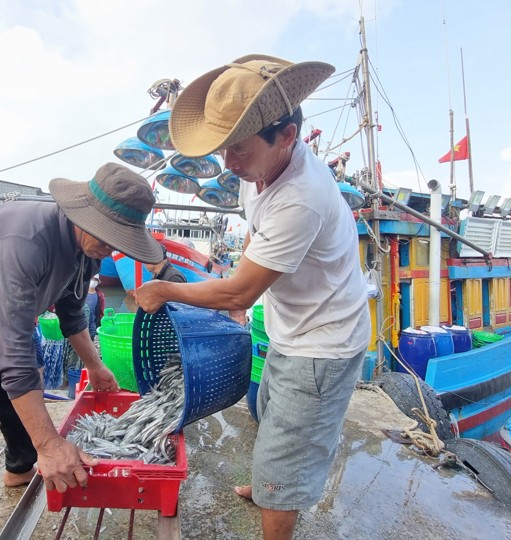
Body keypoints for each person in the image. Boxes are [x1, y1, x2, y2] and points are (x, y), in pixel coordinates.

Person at [134, 54, 371, 540]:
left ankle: (276, 495)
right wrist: (239, 287)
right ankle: (268, 481)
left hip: (323, 344)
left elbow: (242, 287)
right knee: (268, 410)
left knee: (292, 442)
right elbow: (253, 237)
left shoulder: (300, 196)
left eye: (238, 149)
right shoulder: (260, 172)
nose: (229, 163)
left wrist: (165, 289)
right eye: (224, 149)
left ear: (286, 136)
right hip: (292, 327)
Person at [0, 163, 163, 540]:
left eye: (118, 239)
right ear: (83, 213)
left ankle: (19, 470)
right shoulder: (27, 240)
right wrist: (49, 444)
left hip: (7, 319)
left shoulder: (90, 246)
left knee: (19, 410)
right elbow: (12, 350)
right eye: (108, 235)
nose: (110, 246)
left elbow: (71, 310)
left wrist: (94, 366)